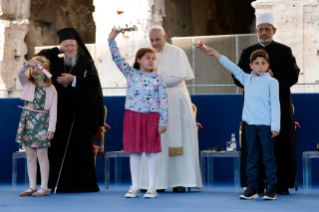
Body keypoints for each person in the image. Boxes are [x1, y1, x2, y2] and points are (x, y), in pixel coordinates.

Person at [233, 14, 300, 195]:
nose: (264, 33)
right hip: (255, 109)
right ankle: (254, 184)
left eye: (267, 29)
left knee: (278, 145)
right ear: (256, 31)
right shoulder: (247, 52)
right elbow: (237, 76)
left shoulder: (285, 51)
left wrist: (273, 76)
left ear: (274, 31)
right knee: (254, 149)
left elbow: (293, 75)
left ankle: (279, 184)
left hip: (279, 107)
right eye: (260, 29)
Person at [205, 46, 280, 200]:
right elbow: (232, 67)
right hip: (249, 126)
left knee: (268, 158)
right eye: (256, 63)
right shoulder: (246, 79)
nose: (260, 66)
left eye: (263, 63)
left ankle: (271, 188)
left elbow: (276, 104)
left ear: (268, 65)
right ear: (251, 65)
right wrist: (217, 54)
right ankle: (252, 188)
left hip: (266, 126)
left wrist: (276, 126)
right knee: (251, 157)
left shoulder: (272, 82)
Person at [36, 28, 104, 193]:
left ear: (78, 46)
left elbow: (94, 83)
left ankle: (81, 185)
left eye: (72, 45)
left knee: (79, 150)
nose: (70, 49)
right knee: (57, 148)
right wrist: (57, 49)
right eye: (66, 46)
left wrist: (74, 80)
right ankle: (57, 184)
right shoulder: (56, 62)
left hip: (80, 114)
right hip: (59, 113)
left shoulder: (86, 63)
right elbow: (40, 57)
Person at [139, 26, 202, 193]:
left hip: (176, 100)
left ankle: (179, 181)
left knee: (179, 141)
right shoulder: (146, 54)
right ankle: (156, 182)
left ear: (165, 37)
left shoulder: (177, 52)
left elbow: (178, 77)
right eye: (151, 40)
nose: (154, 43)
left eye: (157, 39)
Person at [108, 27, 168, 198]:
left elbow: (163, 100)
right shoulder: (130, 73)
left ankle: (152, 187)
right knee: (134, 151)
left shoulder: (158, 78)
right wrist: (112, 40)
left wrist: (162, 121)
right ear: (139, 60)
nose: (151, 61)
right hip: (132, 116)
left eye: (153, 58)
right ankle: (134, 186)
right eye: (148, 58)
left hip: (152, 117)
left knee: (150, 151)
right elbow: (117, 58)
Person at [16, 56, 57, 197]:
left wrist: (51, 129)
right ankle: (32, 186)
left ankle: (44, 187)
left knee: (42, 155)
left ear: (45, 69)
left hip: (42, 123)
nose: (34, 70)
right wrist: (27, 64)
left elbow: (53, 110)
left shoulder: (51, 89)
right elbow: (20, 73)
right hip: (28, 121)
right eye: (32, 68)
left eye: (37, 67)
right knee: (30, 155)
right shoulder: (27, 84)